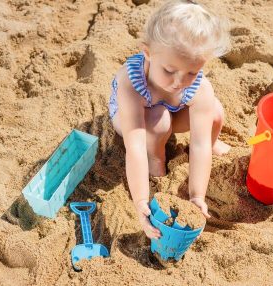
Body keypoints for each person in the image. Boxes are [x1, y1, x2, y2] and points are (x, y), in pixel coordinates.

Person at [108, 0, 231, 239]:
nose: (178, 81)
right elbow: (133, 147)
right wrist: (141, 200)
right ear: (148, 53)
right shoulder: (131, 82)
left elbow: (198, 145)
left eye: (192, 72)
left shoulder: (198, 86)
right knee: (158, 121)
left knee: (214, 111)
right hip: (133, 119)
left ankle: (213, 137)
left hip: (172, 109)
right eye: (169, 70)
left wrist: (197, 196)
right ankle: (156, 157)